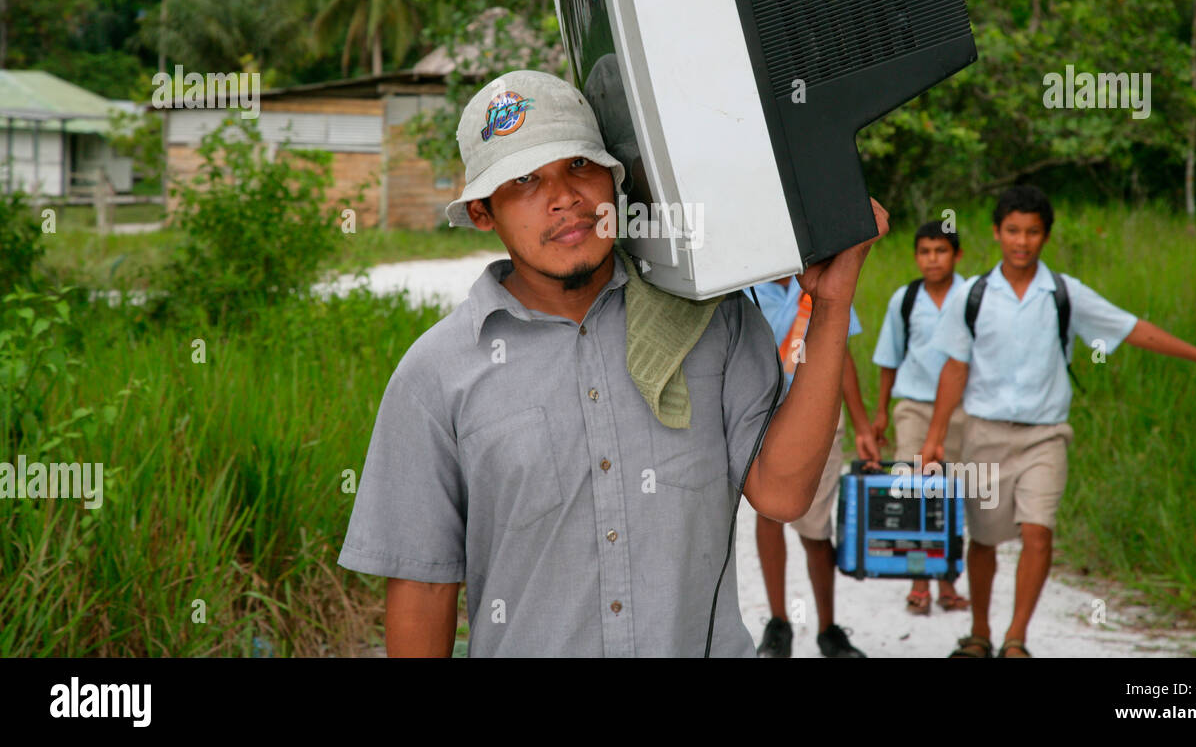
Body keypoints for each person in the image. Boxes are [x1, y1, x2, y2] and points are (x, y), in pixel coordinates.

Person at [336, 69, 890, 657]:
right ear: (481, 212)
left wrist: (829, 306)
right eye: (525, 180)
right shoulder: (435, 375)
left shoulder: (710, 320)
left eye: (579, 166)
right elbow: (423, 585)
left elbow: (782, 494)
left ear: (615, 180)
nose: (565, 198)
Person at [920, 185, 1196, 658]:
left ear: (1046, 236)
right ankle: (980, 632)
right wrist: (934, 438)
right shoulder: (971, 295)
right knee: (985, 540)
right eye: (1013, 230)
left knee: (1038, 531)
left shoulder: (1064, 294)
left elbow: (1131, 328)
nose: (1022, 241)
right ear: (996, 233)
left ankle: (1016, 638)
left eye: (1033, 231)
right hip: (984, 435)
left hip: (1045, 436)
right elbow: (954, 368)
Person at [747, 274, 879, 657]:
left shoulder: (822, 281)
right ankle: (778, 625)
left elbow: (841, 355)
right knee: (768, 516)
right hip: (763, 417)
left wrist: (863, 426)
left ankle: (828, 628)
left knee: (815, 528)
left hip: (819, 421)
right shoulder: (745, 287)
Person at [870, 220, 970, 616]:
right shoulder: (905, 299)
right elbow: (889, 358)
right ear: (916, 257)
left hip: (961, 410)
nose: (932, 259)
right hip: (913, 406)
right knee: (914, 490)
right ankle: (919, 582)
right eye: (925, 252)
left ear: (957, 255)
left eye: (941, 251)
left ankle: (947, 581)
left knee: (950, 495)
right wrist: (880, 412)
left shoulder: (971, 296)